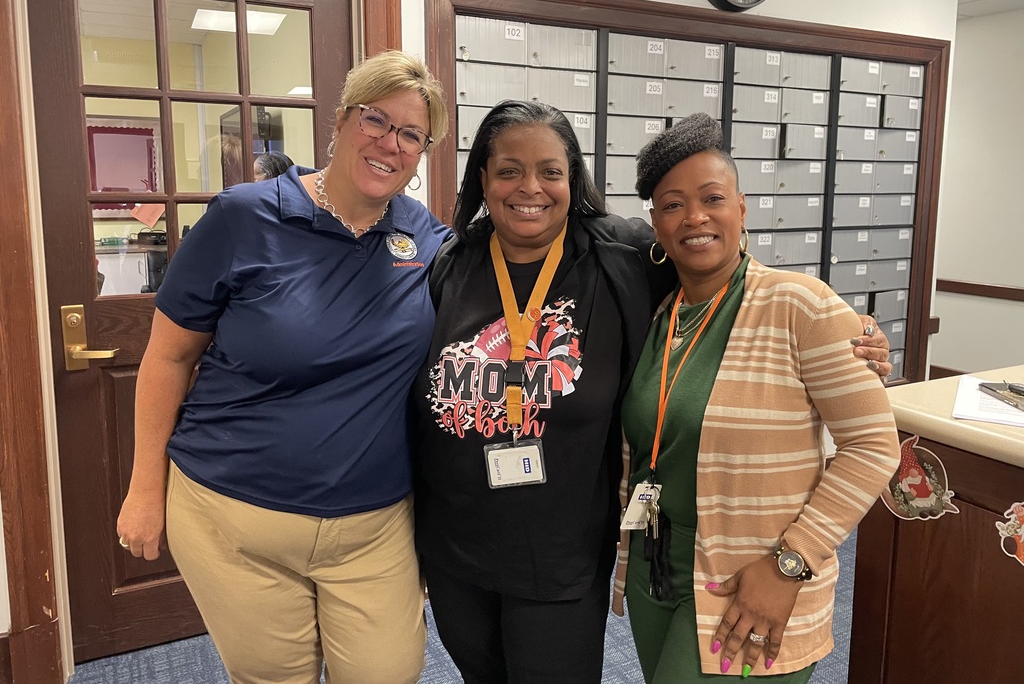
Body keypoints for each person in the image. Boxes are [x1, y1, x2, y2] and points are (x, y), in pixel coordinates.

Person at [412, 100, 892, 684]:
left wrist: (853, 336)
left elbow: (729, 276)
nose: (529, 187)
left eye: (551, 171)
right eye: (508, 170)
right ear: (482, 180)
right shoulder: (447, 265)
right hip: (462, 548)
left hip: (565, 556)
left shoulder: (624, 258)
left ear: (574, 179)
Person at [115, 50, 449, 684]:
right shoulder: (243, 217)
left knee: (389, 672)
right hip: (233, 517)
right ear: (343, 119)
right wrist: (143, 487)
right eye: (377, 120)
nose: (391, 143)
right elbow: (167, 356)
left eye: (412, 134)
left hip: (374, 526)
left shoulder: (426, 238)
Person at [618, 112, 901, 682]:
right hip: (657, 568)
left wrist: (790, 564)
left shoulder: (801, 305)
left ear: (741, 210)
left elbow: (873, 446)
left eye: (711, 198)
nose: (694, 217)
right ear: (655, 223)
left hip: (750, 577)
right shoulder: (655, 315)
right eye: (672, 205)